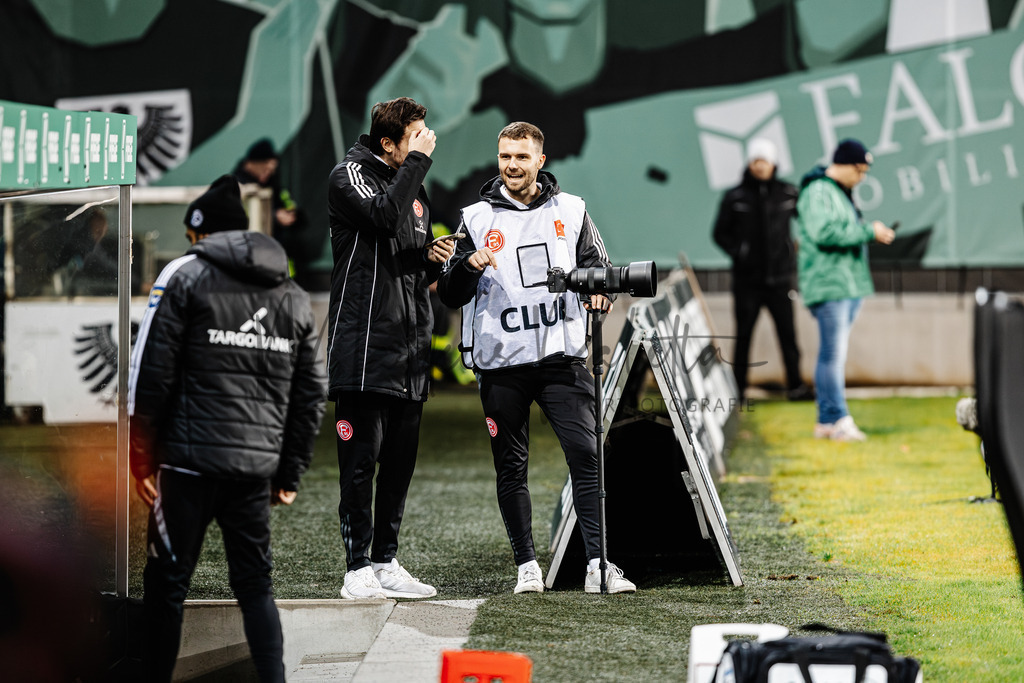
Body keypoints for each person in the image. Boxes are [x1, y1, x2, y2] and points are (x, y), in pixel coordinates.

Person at [128, 175, 327, 682]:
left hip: (186, 466)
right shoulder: (291, 293)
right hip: (253, 471)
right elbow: (310, 396)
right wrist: (289, 473)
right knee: (256, 586)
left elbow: (149, 371)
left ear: (202, 234)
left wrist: (141, 457)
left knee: (167, 585)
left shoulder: (184, 275)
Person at [438, 121, 637, 595]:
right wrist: (468, 263)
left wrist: (601, 294)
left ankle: (597, 564)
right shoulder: (475, 218)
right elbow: (448, 292)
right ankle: (527, 566)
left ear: (540, 161)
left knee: (588, 455)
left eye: (521, 157)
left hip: (560, 359)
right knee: (511, 465)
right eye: (505, 156)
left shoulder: (572, 210)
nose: (511, 165)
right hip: (502, 364)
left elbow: (599, 270)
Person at [326, 97, 455, 600]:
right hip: (363, 349)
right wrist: (418, 163)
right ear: (387, 143)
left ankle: (385, 561)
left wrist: (431, 257)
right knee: (360, 465)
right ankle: (355, 568)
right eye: (415, 137)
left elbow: (400, 258)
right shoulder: (349, 175)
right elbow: (380, 218)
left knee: (399, 465)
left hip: (409, 351)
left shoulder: (414, 192)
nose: (426, 143)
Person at [796, 139, 894, 442]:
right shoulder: (818, 190)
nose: (862, 177)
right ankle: (838, 419)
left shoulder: (836, 191)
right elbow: (823, 232)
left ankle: (826, 421)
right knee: (832, 356)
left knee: (832, 354)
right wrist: (869, 231)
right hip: (830, 285)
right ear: (845, 164)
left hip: (844, 285)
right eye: (860, 170)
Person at [713, 139, 811, 402]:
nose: (760, 166)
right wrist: (740, 252)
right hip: (748, 283)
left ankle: (796, 387)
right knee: (743, 337)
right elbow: (720, 233)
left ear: (773, 163)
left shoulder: (788, 193)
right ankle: (739, 392)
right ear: (749, 163)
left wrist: (795, 248)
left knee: (788, 335)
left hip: (780, 280)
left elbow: (809, 219)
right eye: (756, 160)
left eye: (764, 161)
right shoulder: (735, 196)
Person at [233, 138, 319, 280]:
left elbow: (292, 209)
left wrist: (293, 216)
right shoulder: (235, 186)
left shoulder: (272, 185)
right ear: (251, 163)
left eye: (271, 169)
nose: (267, 173)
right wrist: (273, 217)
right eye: (265, 168)